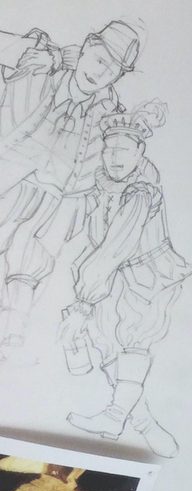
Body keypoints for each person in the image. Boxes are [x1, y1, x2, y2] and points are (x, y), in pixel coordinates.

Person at [57, 102, 192, 459]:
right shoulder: (102, 188)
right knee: (105, 347)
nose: (114, 156)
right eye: (109, 148)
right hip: (113, 278)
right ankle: (143, 424)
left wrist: (84, 299)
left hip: (145, 278)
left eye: (124, 148)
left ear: (140, 151)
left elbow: (116, 247)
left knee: (132, 342)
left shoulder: (141, 192)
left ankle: (117, 417)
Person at [0, 19, 140, 353]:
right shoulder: (40, 66)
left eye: (112, 71)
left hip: (55, 200)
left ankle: (11, 335)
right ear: (87, 46)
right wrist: (47, 54)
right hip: (10, 178)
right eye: (99, 59)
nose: (100, 73)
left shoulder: (110, 114)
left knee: (28, 256)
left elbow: (110, 168)